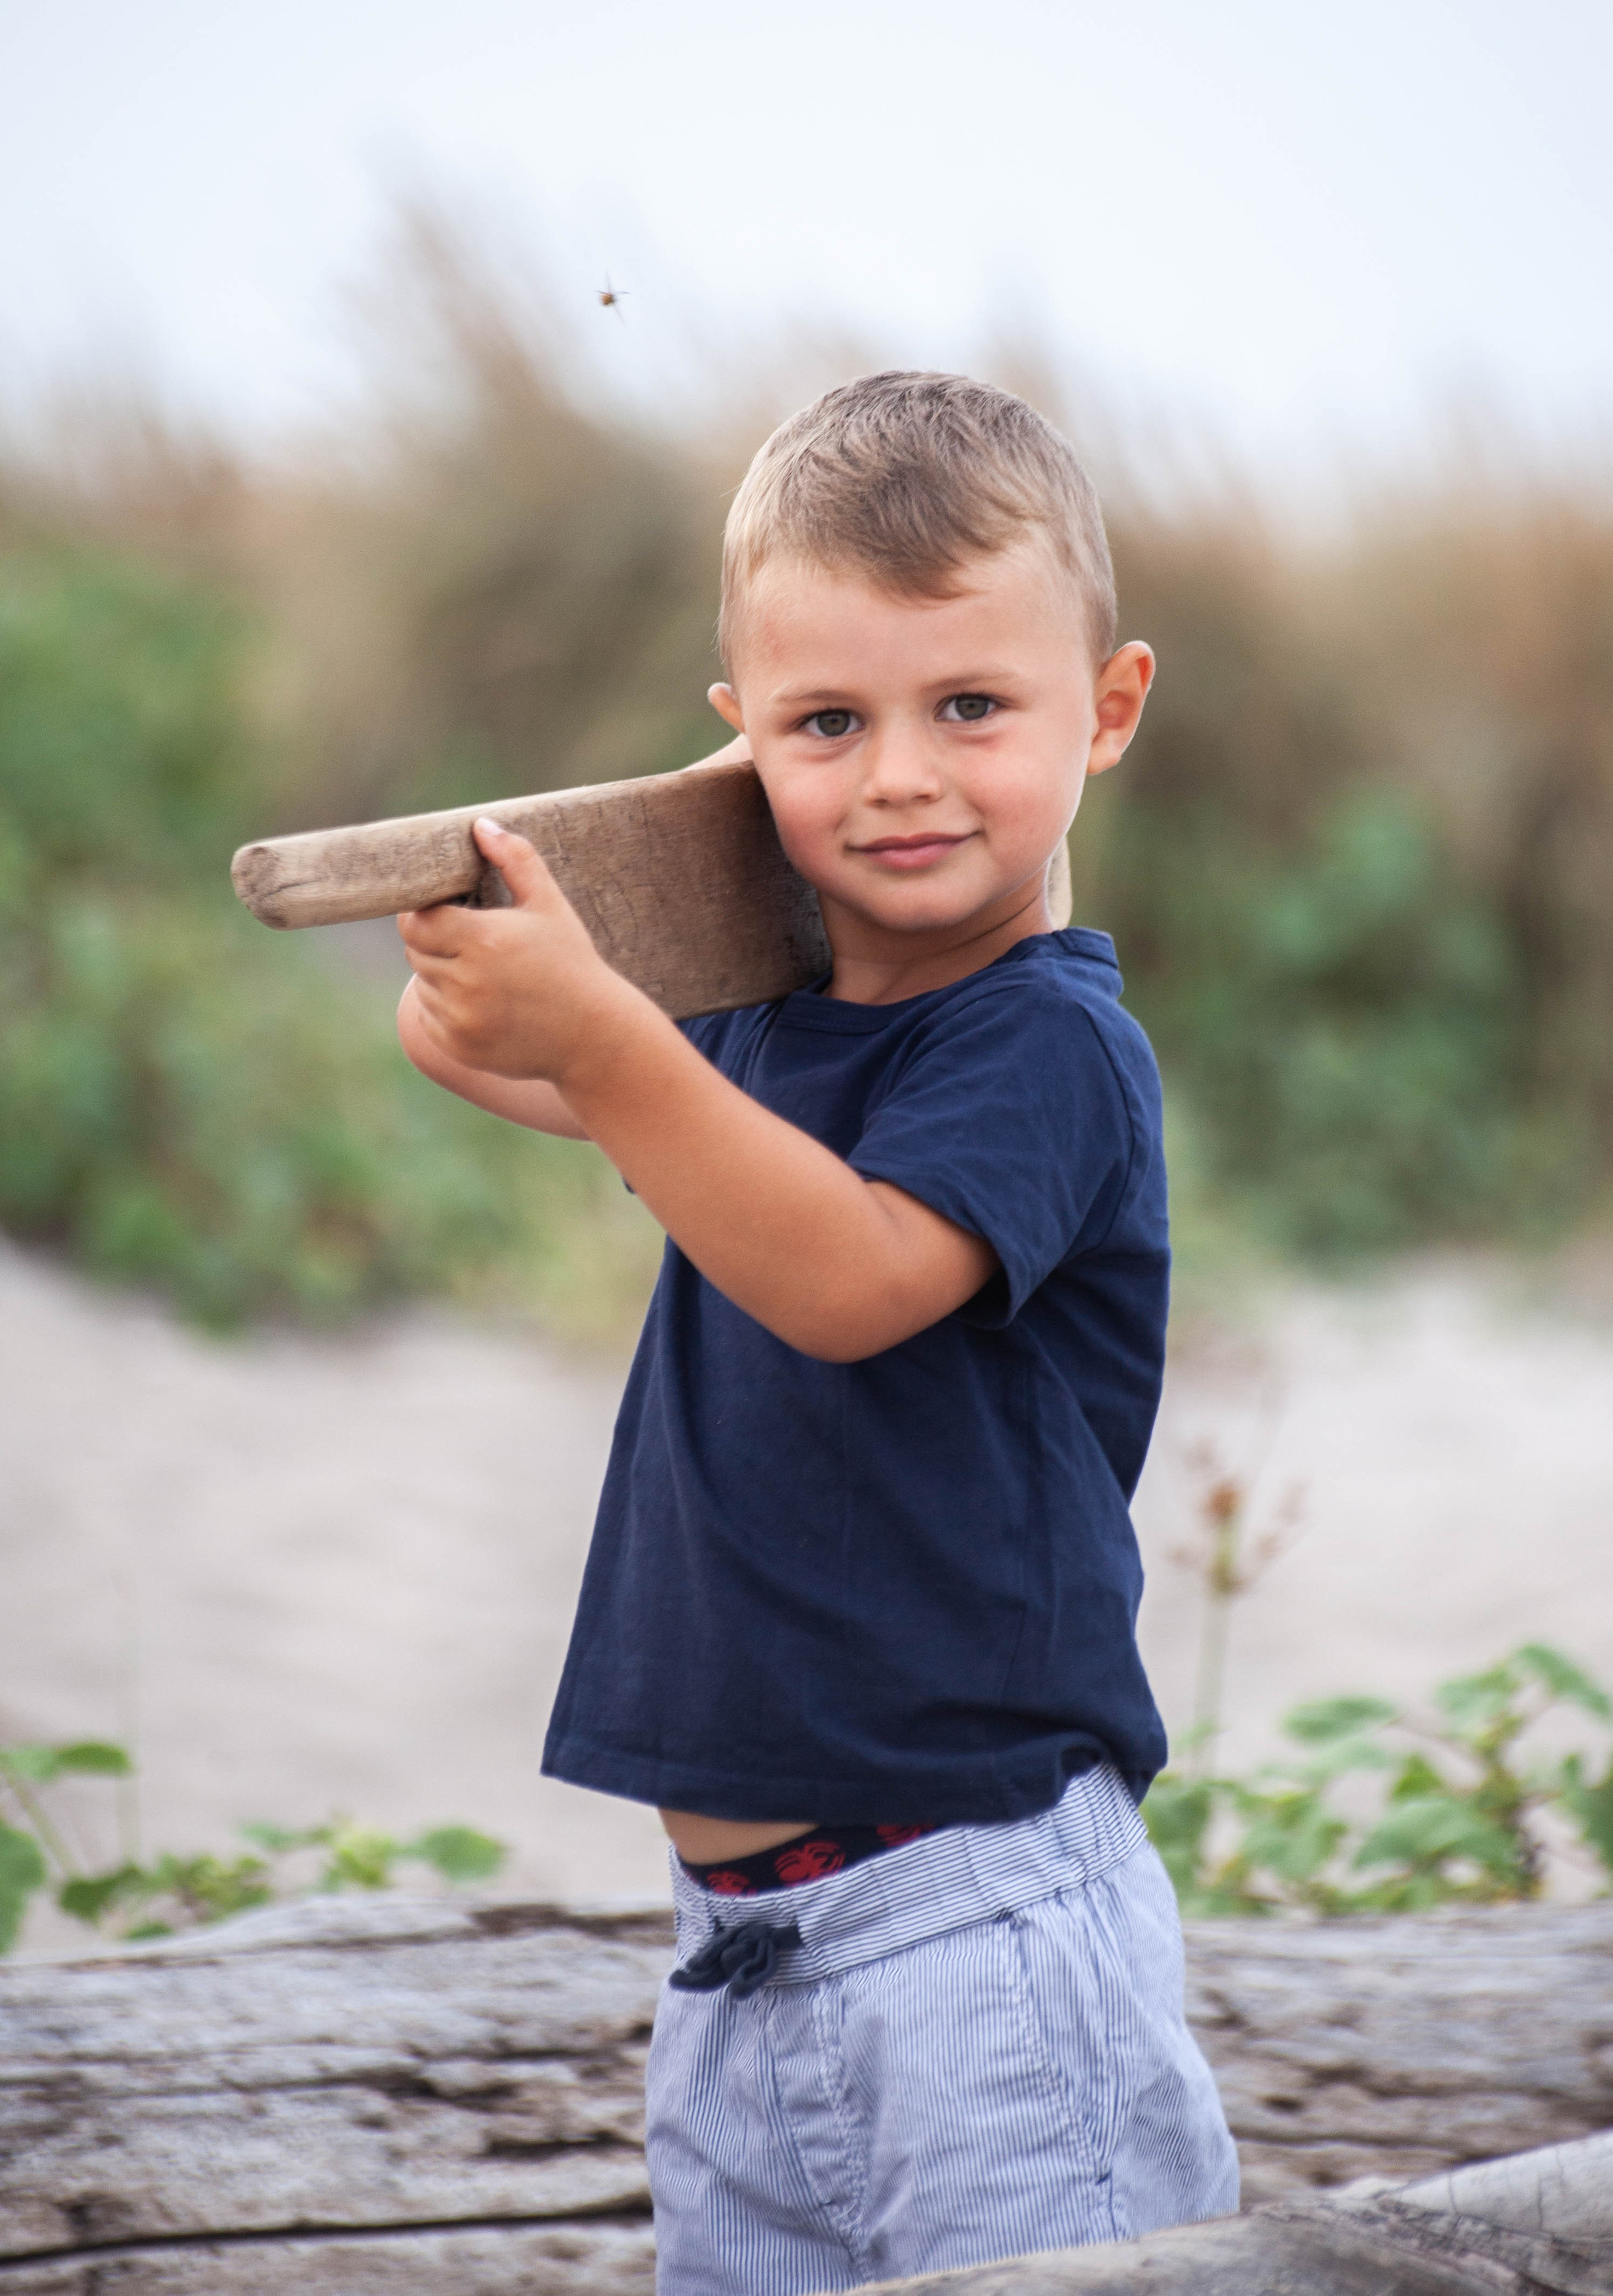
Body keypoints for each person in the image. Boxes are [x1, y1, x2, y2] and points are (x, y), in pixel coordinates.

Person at [396, 371, 1239, 2292]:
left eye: (971, 707)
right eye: (827, 724)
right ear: (740, 745)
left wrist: (604, 1029)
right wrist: (551, 965)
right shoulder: (760, 1030)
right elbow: (480, 1055)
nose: (901, 777)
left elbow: (846, 1277)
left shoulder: (1047, 1044)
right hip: (740, 1958)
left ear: (1105, 711)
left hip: (981, 1933)